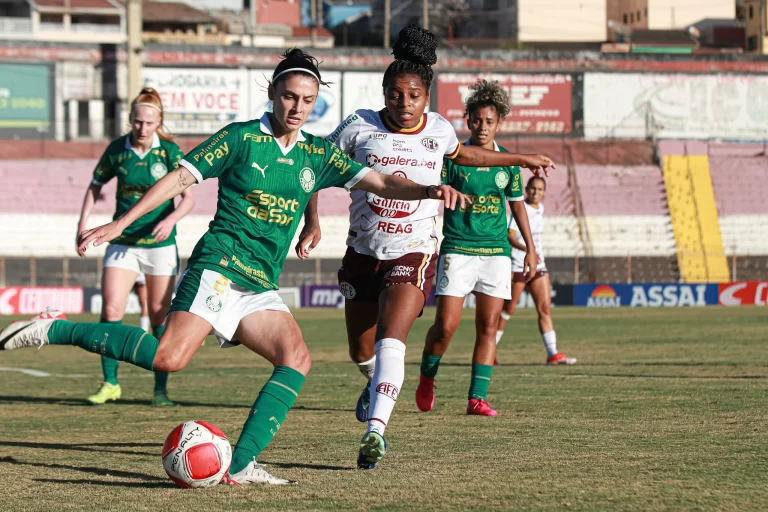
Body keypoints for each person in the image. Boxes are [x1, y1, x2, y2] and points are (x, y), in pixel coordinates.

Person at [1, 48, 470, 485]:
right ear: (273, 93)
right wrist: (118, 223)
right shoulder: (240, 138)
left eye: (307, 100)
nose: (297, 107)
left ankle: (241, 465)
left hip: (260, 283)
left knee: (296, 359)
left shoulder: (317, 154)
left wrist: (429, 190)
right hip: (219, 267)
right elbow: (177, 179)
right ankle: (54, 329)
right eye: (289, 96)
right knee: (168, 357)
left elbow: (383, 182)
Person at [299, 25, 555, 470]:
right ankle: (371, 382)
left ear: (427, 97)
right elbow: (313, 166)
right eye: (395, 95)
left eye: (414, 96)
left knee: (390, 340)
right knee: (361, 352)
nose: (404, 104)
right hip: (362, 252)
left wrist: (521, 157)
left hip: (414, 251)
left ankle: (375, 432)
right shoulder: (358, 126)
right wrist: (312, 222)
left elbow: (467, 156)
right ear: (384, 93)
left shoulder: (437, 130)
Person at [415, 79, 537, 418]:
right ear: (467, 120)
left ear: (499, 124)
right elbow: (432, 188)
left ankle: (476, 399)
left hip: (496, 252)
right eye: (477, 120)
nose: (482, 127)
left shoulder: (508, 162)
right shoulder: (452, 158)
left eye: (490, 121)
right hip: (458, 248)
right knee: (446, 326)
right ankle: (427, 376)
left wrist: (530, 248)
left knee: (489, 325)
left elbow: (517, 206)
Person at [75, 88, 194, 407]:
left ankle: (159, 390)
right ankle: (110, 382)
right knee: (111, 309)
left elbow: (188, 199)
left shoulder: (169, 151)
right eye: (137, 121)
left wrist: (170, 221)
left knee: (159, 314)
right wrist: (82, 224)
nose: (142, 128)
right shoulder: (117, 150)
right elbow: (94, 186)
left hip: (160, 245)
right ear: (130, 120)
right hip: (123, 244)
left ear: (159, 122)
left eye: (149, 122)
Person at [496, 177, 576, 366]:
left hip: (538, 266)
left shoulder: (540, 209)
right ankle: (489, 349)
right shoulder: (521, 208)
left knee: (545, 308)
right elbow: (510, 236)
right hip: (520, 265)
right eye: (532, 189)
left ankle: (552, 353)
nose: (535, 192)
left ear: (544, 192)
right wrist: (528, 251)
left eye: (539, 189)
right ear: (526, 189)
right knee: (509, 309)